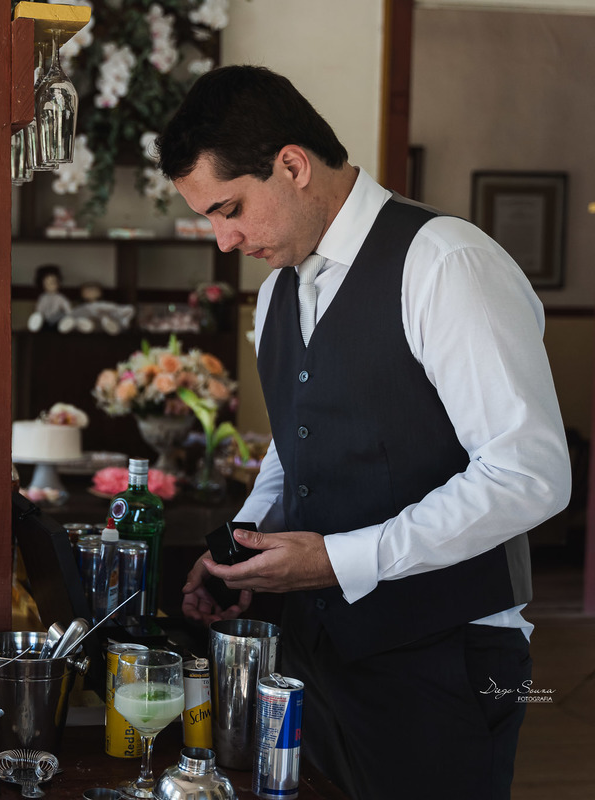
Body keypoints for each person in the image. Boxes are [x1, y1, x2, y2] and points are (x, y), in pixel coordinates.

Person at [155, 65, 570, 800]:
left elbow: (529, 474)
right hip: (317, 658)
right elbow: (299, 440)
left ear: (292, 165)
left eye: (230, 209)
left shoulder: (446, 262)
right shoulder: (279, 290)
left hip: (445, 660)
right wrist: (243, 546)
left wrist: (340, 560)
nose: (223, 240)